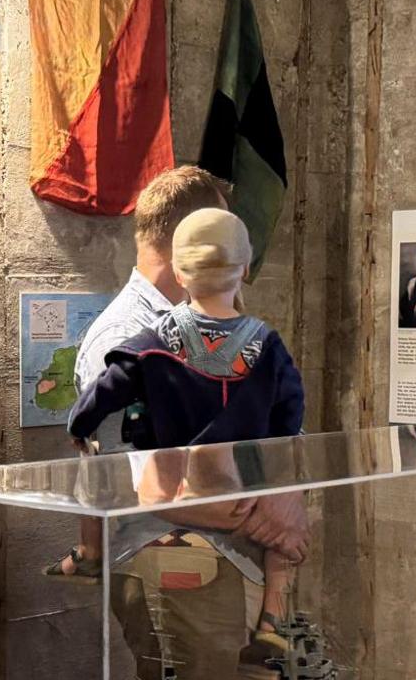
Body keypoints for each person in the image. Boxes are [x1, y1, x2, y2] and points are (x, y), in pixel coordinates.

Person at [67, 209, 306, 647]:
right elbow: (289, 415)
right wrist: (279, 467)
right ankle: (273, 616)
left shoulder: (153, 342)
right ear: (246, 269)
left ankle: (86, 555)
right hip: (238, 490)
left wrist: (79, 423)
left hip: (178, 490)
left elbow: (109, 387)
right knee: (284, 549)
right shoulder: (266, 345)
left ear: (179, 271)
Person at [47, 165, 231, 580]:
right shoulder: (127, 339)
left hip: (214, 550)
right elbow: (151, 486)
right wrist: (263, 515)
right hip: (173, 560)